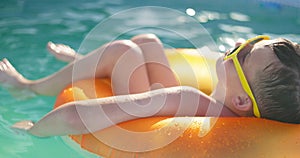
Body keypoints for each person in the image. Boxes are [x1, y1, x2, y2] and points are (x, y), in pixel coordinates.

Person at [1, 34, 300, 137]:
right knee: (148, 43)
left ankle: (26, 87)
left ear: (241, 101)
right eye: (254, 41)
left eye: (245, 53)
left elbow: (72, 117)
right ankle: (87, 61)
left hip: (142, 129)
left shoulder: (190, 99)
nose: (238, 43)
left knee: (122, 52)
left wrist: (32, 131)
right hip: (163, 119)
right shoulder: (232, 113)